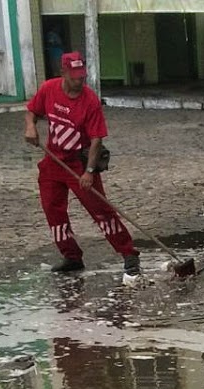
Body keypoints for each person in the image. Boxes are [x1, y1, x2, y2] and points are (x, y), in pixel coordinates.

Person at [24, 52, 141, 278]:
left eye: (82, 76)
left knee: (101, 210)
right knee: (53, 210)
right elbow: (32, 111)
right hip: (53, 161)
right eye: (75, 77)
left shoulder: (90, 101)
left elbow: (97, 139)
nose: (79, 81)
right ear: (64, 74)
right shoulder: (49, 89)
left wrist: (89, 171)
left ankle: (128, 253)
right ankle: (71, 256)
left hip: (80, 162)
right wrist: (30, 127)